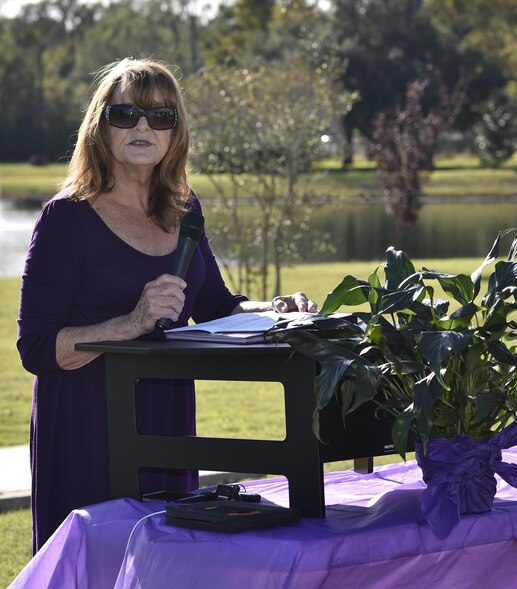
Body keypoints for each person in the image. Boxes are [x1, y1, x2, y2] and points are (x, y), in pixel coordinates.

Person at [16, 57, 316, 553]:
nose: (143, 126)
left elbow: (216, 307)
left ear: (175, 133)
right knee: (95, 564)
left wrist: (275, 310)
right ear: (99, 125)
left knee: (167, 561)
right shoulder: (65, 219)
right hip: (87, 425)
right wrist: (132, 322)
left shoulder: (183, 207)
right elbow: (38, 348)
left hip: (167, 424)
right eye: (125, 114)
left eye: (161, 116)